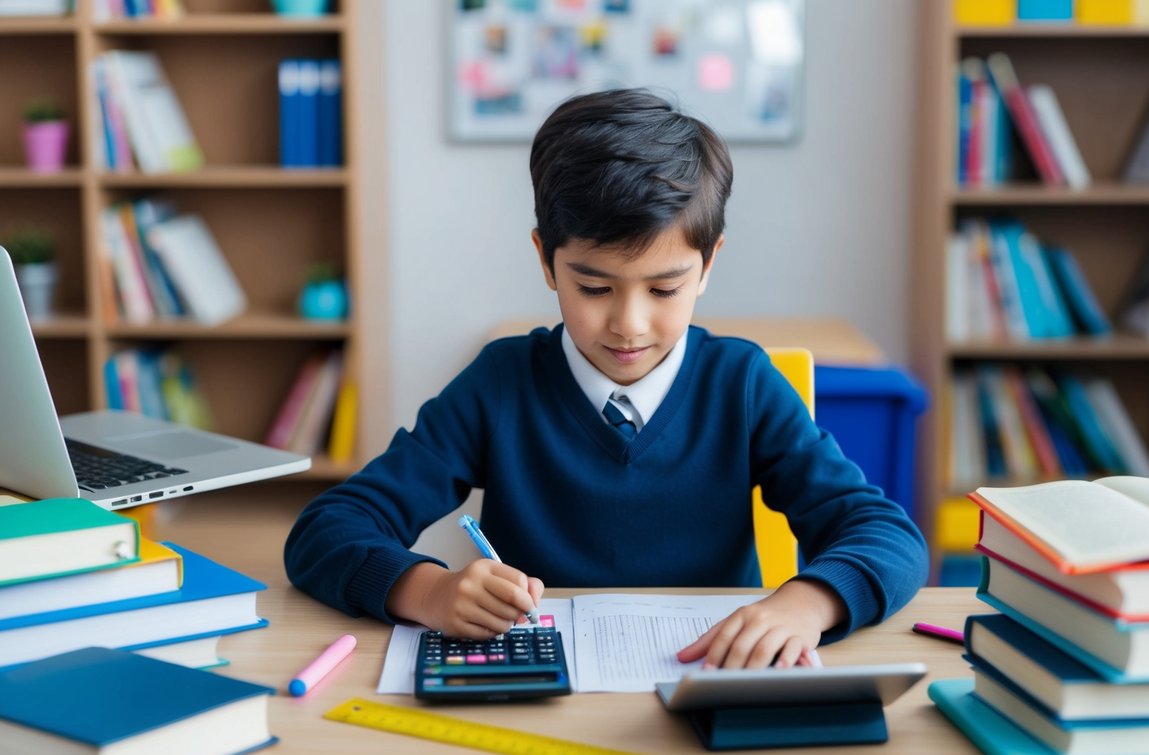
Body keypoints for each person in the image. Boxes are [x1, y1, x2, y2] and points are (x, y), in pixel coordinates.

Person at [284, 88, 928, 669]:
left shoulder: (743, 384)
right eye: (593, 287)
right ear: (545, 259)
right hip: (536, 694)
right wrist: (428, 591)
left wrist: (808, 604)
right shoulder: (500, 384)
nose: (629, 323)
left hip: (704, 681)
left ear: (708, 266)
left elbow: (888, 537)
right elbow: (327, 530)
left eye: (664, 287)